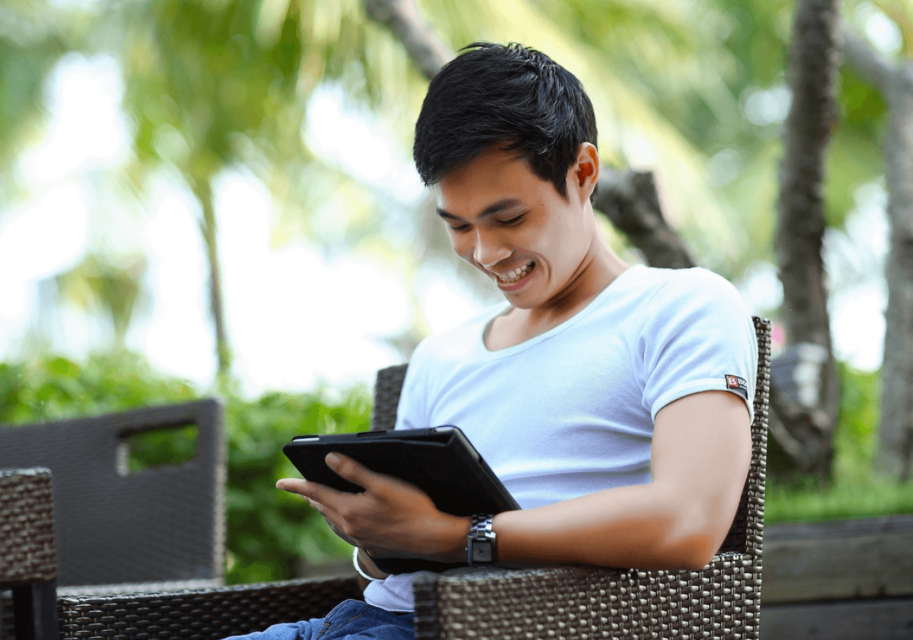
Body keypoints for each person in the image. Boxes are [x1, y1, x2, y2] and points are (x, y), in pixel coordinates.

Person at [226, 42, 757, 640]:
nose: (485, 253)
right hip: (359, 620)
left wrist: (458, 537)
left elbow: (687, 522)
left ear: (583, 173)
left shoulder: (681, 307)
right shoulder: (439, 356)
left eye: (508, 219)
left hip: (494, 627)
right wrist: (376, 533)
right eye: (458, 225)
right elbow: (394, 566)